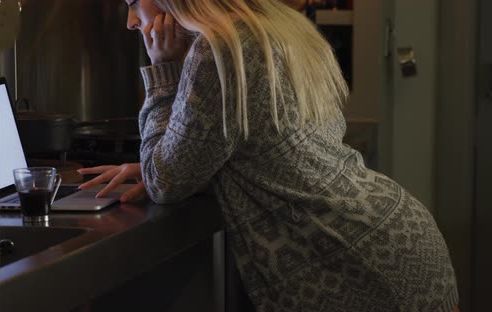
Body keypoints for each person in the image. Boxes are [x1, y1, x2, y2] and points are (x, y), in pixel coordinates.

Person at [77, 0, 459, 311]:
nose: (129, 21)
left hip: (355, 266)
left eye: (132, 3)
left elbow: (165, 183)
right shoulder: (272, 24)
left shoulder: (218, 48)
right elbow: (260, 151)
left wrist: (163, 71)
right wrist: (159, 161)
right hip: (395, 240)